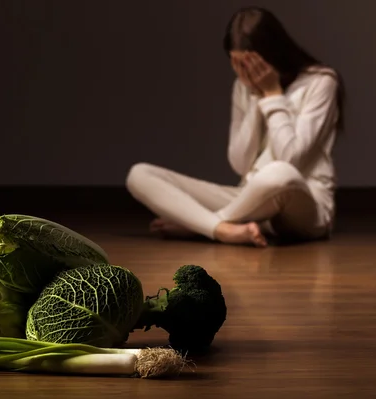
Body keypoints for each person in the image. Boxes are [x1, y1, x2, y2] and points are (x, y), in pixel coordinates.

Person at [125, 6, 345, 247]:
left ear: (272, 54)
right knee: (140, 174)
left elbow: (291, 159)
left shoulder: (322, 81)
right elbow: (240, 163)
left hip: (303, 204)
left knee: (279, 172)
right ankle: (222, 229)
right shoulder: (242, 87)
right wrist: (254, 94)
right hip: (251, 198)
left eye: (250, 64)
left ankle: (204, 226)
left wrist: (271, 94)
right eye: (237, 63)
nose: (244, 72)